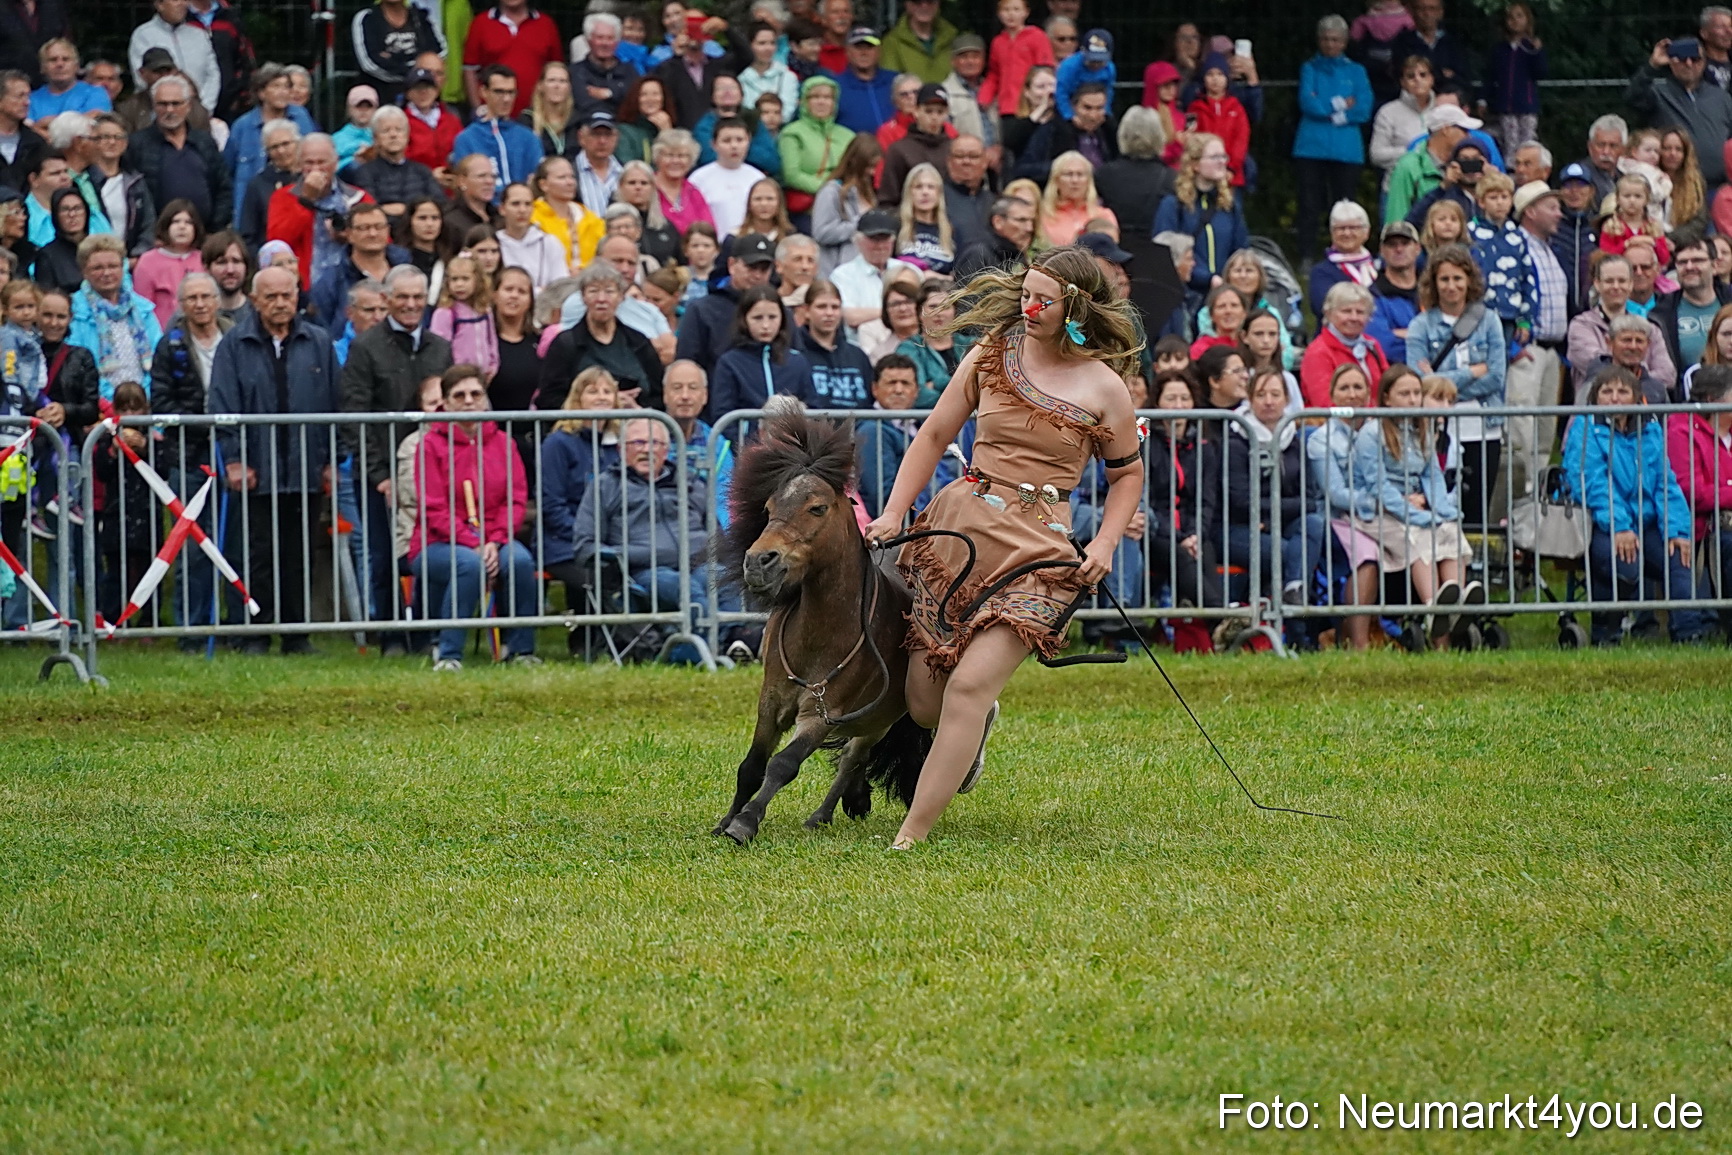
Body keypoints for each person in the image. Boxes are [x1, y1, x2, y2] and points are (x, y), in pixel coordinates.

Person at [860, 245, 1142, 848]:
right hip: (962, 529)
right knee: (924, 704)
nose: (1029, 307)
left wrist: (1106, 542)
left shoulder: (1106, 388)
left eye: (1044, 300)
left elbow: (1127, 475)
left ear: (1076, 309)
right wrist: (892, 512)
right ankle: (978, 718)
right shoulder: (993, 352)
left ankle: (911, 836)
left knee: (966, 687)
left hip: (1040, 550)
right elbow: (934, 434)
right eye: (1026, 295)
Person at [205, 263, 340, 654]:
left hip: (305, 467)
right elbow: (223, 403)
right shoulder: (235, 344)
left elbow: (336, 403)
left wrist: (332, 459)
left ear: (297, 296)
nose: (281, 303)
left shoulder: (318, 341)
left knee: (300, 553)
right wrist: (234, 459)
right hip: (256, 467)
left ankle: (297, 635)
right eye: (272, 297)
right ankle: (255, 633)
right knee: (256, 553)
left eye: (287, 295)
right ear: (255, 300)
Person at [339, 263, 454, 655]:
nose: (410, 305)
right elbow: (354, 415)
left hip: (433, 471)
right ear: (386, 300)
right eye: (402, 297)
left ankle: (425, 631)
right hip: (381, 472)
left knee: (429, 550)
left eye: (418, 297)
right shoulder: (365, 347)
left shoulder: (440, 347)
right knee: (383, 554)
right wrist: (379, 475)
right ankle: (390, 634)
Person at [404, 362, 540, 670]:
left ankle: (521, 650)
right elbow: (433, 507)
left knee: (520, 561)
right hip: (436, 543)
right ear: (446, 402)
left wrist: (495, 540)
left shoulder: (504, 443)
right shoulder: (430, 445)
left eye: (476, 394)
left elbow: (515, 499)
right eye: (459, 395)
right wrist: (471, 542)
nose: (469, 401)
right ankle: (449, 653)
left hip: (493, 539)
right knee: (469, 565)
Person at [1562, 364, 1709, 645]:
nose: (1614, 398)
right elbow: (1593, 483)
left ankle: (1689, 634)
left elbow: (1665, 483)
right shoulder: (1585, 427)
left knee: (1679, 555)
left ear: (1636, 397)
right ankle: (1606, 634)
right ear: (1595, 397)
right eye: (1607, 392)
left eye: (1622, 391)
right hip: (1602, 522)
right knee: (1623, 561)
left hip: (1647, 521)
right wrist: (1620, 526)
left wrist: (1677, 530)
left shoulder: (1650, 430)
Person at [1349, 363, 1475, 644]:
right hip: (1377, 511)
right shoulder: (1372, 434)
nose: (1412, 400)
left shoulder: (1422, 429)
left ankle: (1455, 607)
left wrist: (1442, 510)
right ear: (1386, 398)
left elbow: (1432, 475)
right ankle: (1432, 609)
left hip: (1414, 505)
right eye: (1404, 394)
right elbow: (1378, 487)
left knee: (1449, 531)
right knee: (1418, 537)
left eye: (1416, 393)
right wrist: (1414, 514)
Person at [1405, 244, 1505, 530]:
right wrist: (1470, 372)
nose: (1451, 286)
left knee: (1476, 508)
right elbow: (1419, 383)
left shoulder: (1489, 321)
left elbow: (1496, 377)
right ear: (1434, 283)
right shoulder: (1420, 325)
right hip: (1438, 428)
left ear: (1469, 281)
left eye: (1457, 278)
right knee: (1438, 505)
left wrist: (1442, 383)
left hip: (1484, 426)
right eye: (1444, 279)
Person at [1224, 366, 1327, 606]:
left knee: (1314, 523)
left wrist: (1270, 519)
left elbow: (1309, 499)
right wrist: (1282, 510)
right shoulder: (1235, 441)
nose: (1269, 401)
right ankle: (1292, 611)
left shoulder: (1294, 440)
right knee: (1285, 551)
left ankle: (1294, 591)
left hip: (1276, 522)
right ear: (1249, 399)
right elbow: (1241, 502)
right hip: (1238, 526)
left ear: (1287, 399)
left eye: (1275, 394)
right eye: (1261, 395)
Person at [1304, 361, 1379, 649]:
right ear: (1333, 395)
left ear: (1369, 393)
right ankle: (1358, 644)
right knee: (1368, 556)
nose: (1352, 394)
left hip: (1378, 515)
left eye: (1358, 387)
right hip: (1337, 519)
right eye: (1344, 388)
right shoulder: (1321, 440)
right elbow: (1335, 494)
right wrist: (1378, 501)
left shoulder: (1379, 432)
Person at [1291, 16, 1373, 265]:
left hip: (1346, 149)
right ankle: (1306, 255)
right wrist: (1341, 105)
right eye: (1326, 39)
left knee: (1344, 203)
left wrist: (1330, 109)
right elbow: (1307, 102)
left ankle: (1345, 252)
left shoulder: (1356, 71)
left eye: (1336, 40)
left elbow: (1364, 108)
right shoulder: (1309, 68)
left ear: (1345, 42)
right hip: (1311, 146)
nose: (1330, 44)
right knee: (1309, 203)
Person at [1665, 362, 1732, 639]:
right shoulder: (1681, 429)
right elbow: (1691, 490)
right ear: (1712, 399)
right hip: (1700, 525)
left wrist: (1723, 491)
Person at [538, 261, 663, 407]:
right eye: (593, 291)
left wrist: (636, 408)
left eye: (609, 291)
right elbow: (548, 398)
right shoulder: (566, 344)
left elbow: (659, 395)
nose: (601, 299)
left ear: (621, 297)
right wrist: (603, 402)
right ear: (583, 297)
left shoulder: (638, 342)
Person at [266, 134, 371, 295]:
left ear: (335, 163)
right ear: (300, 165)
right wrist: (306, 200)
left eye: (322, 162)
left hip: (351, 286)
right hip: (304, 287)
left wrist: (351, 236)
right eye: (309, 163)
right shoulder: (283, 197)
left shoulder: (358, 197)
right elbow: (277, 242)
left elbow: (380, 239)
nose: (315, 169)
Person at [124, 74, 230, 233]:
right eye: (163, 104)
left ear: (188, 106)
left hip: (205, 236)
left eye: (176, 103)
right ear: (153, 106)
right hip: (156, 238)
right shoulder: (137, 144)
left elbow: (224, 188)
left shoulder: (205, 142)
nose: (169, 110)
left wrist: (214, 230)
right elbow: (131, 196)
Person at [64, 234, 161, 402]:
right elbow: (78, 368)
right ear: (84, 271)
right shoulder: (73, 311)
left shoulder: (143, 309)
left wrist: (141, 399)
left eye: (113, 266)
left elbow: (160, 362)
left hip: (145, 403)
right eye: (97, 268)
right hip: (97, 405)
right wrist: (112, 402)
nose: (106, 273)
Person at [1566, 254, 1674, 401]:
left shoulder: (1650, 328)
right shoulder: (1581, 326)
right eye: (1609, 281)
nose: (1616, 287)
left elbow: (1668, 375)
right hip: (1594, 411)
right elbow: (1598, 368)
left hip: (1645, 409)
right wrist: (1644, 375)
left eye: (1622, 281)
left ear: (1630, 284)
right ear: (1597, 284)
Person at [1627, 37, 1732, 187]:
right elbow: (1632, 98)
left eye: (1695, 59)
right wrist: (1653, 65)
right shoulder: (1658, 93)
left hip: (1720, 186)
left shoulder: (1721, 97)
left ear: (1704, 62)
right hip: (1675, 184)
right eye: (1682, 59)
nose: (1689, 64)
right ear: (1671, 62)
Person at [1152, 134, 1245, 293]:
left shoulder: (1229, 206)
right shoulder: (1173, 205)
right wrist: (1207, 278)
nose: (1222, 162)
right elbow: (1165, 251)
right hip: (1185, 293)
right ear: (1195, 164)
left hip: (1224, 294)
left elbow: (1241, 250)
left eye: (1223, 156)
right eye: (1214, 157)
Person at [224, 65, 314, 226]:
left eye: (286, 87)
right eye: (276, 86)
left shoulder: (301, 117)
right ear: (261, 93)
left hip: (295, 202)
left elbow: (311, 157)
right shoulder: (242, 126)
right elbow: (226, 171)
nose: (283, 92)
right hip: (252, 209)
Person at [707, 282, 814, 415]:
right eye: (757, 318)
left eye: (772, 317)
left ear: (782, 318)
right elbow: (722, 413)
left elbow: (813, 408)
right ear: (744, 320)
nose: (765, 325)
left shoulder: (797, 362)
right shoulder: (730, 363)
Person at [451, 66, 543, 202]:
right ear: (484, 92)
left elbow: (537, 182)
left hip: (524, 208)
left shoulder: (529, 138)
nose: (506, 99)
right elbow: (465, 186)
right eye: (499, 92)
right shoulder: (467, 138)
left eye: (511, 92)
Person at [1383, 103, 1477, 228]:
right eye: (1464, 130)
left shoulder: (1461, 165)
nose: (1469, 136)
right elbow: (1397, 215)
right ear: (1446, 129)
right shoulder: (1408, 165)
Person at [462, 1, 561, 120]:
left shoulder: (546, 24)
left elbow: (556, 70)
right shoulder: (481, 23)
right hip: (492, 115)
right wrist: (477, 108)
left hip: (537, 115)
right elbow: (470, 69)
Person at [341, 106, 439, 221]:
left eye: (399, 130)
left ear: (407, 136)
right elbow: (368, 210)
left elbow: (440, 205)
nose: (393, 135)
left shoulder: (422, 172)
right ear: (375, 138)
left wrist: (404, 210)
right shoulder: (365, 173)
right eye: (386, 131)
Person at [1301, 281, 1388, 408]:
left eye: (1360, 312)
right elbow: (1324, 404)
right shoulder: (1318, 352)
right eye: (1346, 311)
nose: (1354, 317)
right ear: (1329, 314)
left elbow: (1388, 389)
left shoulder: (1372, 345)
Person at [1092, 106, 1171, 244]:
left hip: (1112, 247)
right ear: (1159, 136)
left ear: (1123, 134)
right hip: (1156, 248)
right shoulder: (1171, 178)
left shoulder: (1103, 174)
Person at [778, 75, 851, 219]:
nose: (821, 102)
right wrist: (829, 189)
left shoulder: (848, 135)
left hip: (845, 205)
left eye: (827, 97)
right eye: (815, 97)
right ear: (804, 101)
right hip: (809, 209)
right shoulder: (792, 133)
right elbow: (792, 175)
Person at [1012, 80, 1115, 180]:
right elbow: (1023, 169)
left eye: (1099, 108)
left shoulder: (1109, 132)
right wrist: (1061, 168)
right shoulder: (1052, 131)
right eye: (1087, 108)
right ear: (1072, 107)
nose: (1093, 115)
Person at [831, 209, 914, 333]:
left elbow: (922, 308)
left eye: (885, 239)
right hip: (861, 342)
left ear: (893, 240)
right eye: (874, 239)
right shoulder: (843, 275)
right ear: (858, 241)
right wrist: (896, 312)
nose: (880, 246)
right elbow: (850, 317)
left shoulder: (907, 270)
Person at [129, 0, 220, 113]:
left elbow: (213, 75)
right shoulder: (143, 35)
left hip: (199, 112)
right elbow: (141, 78)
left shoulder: (199, 35)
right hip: (158, 112)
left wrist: (204, 108)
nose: (182, 4)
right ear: (159, 5)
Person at [794, 277, 872, 409]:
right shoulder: (794, 353)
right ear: (806, 311)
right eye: (821, 307)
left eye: (835, 307)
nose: (829, 313)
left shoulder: (858, 356)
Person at [809, 133, 877, 279]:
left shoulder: (868, 191)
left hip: (865, 271)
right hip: (836, 272)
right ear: (855, 162)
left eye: (875, 166)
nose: (873, 172)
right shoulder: (830, 191)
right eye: (869, 166)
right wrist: (861, 225)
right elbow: (821, 233)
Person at [351, 0, 447, 101]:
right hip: (382, 100)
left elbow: (440, 52)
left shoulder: (422, 17)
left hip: (423, 99)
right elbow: (369, 64)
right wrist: (417, 70)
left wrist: (393, 59)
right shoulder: (367, 18)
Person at [131, 198, 204, 328]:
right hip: (161, 332)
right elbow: (142, 307)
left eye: (188, 222)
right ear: (166, 226)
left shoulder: (203, 258)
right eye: (176, 221)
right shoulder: (148, 261)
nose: (182, 227)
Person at [688, 116, 765, 238]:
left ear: (748, 141)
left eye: (740, 140)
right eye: (726, 141)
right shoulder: (698, 179)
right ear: (714, 144)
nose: (734, 146)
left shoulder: (758, 178)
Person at [877, 81, 951, 206]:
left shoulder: (954, 149)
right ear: (916, 111)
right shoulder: (899, 150)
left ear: (946, 113)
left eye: (940, 112)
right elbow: (888, 198)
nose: (934, 117)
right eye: (928, 111)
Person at [978, 0, 1053, 121]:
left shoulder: (1037, 37)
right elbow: (994, 74)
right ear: (999, 14)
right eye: (1006, 10)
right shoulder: (998, 42)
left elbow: (1046, 70)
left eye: (1016, 9)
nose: (1011, 14)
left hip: (1032, 105)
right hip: (1006, 107)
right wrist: (985, 96)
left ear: (1026, 12)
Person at [529, 154, 604, 273]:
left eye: (572, 177)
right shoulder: (532, 217)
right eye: (562, 177)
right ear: (543, 185)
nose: (570, 182)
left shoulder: (589, 217)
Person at [1307, 200, 1378, 320]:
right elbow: (1323, 307)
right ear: (1332, 233)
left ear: (1366, 232)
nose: (1347, 233)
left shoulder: (1379, 267)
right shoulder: (1322, 272)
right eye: (1340, 228)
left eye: (1353, 227)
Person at [1370, 55, 1435, 185]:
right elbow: (1376, 155)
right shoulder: (1388, 112)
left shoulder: (1443, 110)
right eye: (1411, 76)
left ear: (1431, 79)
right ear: (1403, 83)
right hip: (1397, 186)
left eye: (1423, 75)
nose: (1417, 79)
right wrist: (1413, 151)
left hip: (1436, 187)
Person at [897, 276, 961, 405]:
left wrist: (935, 384)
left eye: (946, 307)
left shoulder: (972, 344)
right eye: (933, 306)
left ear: (955, 312)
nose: (939, 313)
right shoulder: (909, 349)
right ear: (919, 312)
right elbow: (918, 396)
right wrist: (962, 389)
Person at [494, 181, 566, 290]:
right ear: (502, 209)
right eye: (515, 204)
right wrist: (540, 290)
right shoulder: (494, 243)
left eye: (527, 204)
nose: (522, 210)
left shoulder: (550, 243)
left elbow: (561, 285)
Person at [1036, 149, 1110, 250]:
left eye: (1080, 174)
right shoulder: (1042, 216)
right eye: (1068, 174)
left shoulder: (1104, 216)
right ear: (1056, 180)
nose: (1075, 180)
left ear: (1089, 180)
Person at [29, 39, 111, 129]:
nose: (60, 64)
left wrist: (44, 123)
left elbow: (96, 125)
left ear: (77, 66)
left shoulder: (96, 93)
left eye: (66, 59)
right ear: (42, 67)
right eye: (53, 60)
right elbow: (27, 131)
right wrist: (80, 119)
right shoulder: (30, 99)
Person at [570, 13, 638, 117]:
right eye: (599, 37)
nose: (605, 43)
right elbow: (582, 103)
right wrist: (619, 95)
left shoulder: (630, 71)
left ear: (617, 42)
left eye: (610, 38)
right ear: (588, 41)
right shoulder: (575, 73)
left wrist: (610, 93)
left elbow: (635, 101)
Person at [893, 162, 953, 276]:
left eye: (931, 187)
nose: (925, 192)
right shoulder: (896, 225)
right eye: (918, 187)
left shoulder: (950, 228)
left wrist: (934, 276)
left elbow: (957, 276)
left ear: (939, 193)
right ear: (909, 192)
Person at [402, 65, 463, 174]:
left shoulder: (452, 120)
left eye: (428, 87)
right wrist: (431, 175)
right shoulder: (401, 122)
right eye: (417, 88)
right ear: (407, 94)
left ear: (436, 91)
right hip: (416, 180)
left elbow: (462, 152)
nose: (423, 92)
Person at [741, 21, 801, 116]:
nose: (768, 48)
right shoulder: (739, 75)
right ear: (749, 45)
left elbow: (787, 112)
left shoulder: (787, 76)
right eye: (762, 43)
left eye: (772, 43)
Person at [614, 74, 676, 165]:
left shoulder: (672, 129)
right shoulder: (624, 132)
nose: (650, 99)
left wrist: (667, 133)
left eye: (655, 94)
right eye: (643, 94)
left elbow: (676, 163)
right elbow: (627, 163)